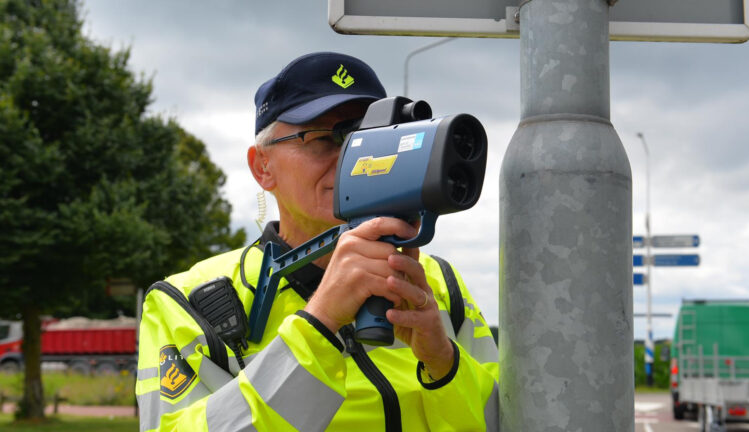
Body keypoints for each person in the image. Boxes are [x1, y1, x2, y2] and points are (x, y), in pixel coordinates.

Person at [135, 52, 498, 432]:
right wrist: (320, 323)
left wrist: (443, 363)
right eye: (323, 139)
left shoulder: (439, 284)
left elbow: (505, 420)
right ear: (262, 166)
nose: (351, 158)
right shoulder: (188, 301)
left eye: (366, 137)